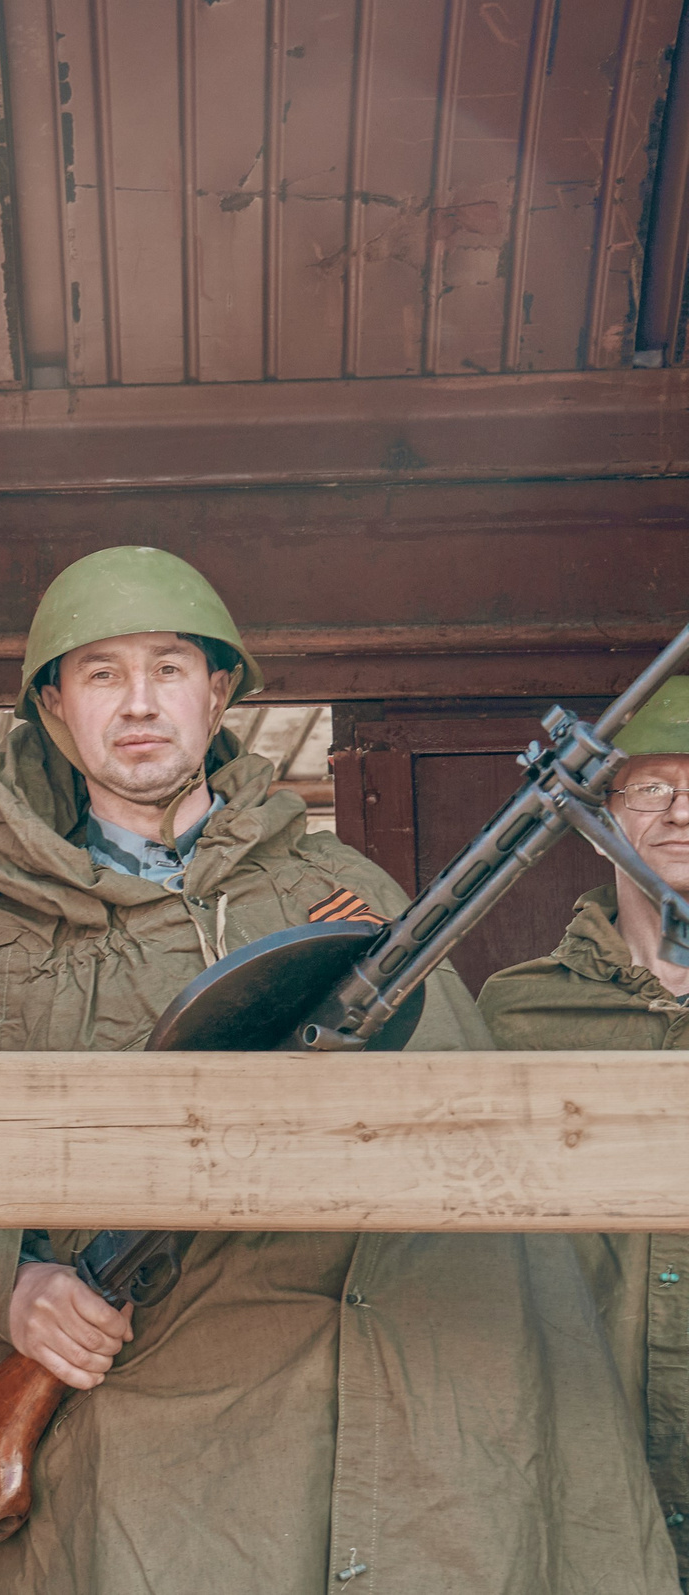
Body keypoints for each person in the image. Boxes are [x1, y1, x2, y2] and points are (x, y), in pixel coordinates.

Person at [0, 545, 675, 1595]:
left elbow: (468, 1150)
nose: (139, 703)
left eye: (169, 669)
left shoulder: (334, 888)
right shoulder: (3, 947)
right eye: (101, 675)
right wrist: (16, 1287)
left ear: (216, 693)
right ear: (52, 707)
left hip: (353, 1415)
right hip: (150, 1436)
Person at [483, 675, 689, 1586]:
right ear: (603, 810)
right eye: (651, 786)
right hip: (583, 1465)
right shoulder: (515, 1015)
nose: (679, 812)